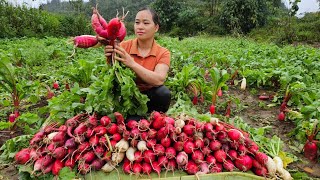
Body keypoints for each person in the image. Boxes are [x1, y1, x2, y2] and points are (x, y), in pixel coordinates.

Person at [104, 7, 171, 120]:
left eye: (145, 23)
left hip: (150, 97)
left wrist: (132, 63)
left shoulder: (163, 52)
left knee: (163, 93)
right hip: (127, 97)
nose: (140, 27)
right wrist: (110, 59)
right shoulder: (123, 47)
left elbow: (159, 79)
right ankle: (134, 118)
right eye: (137, 22)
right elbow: (113, 73)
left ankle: (154, 117)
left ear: (156, 28)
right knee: (131, 120)